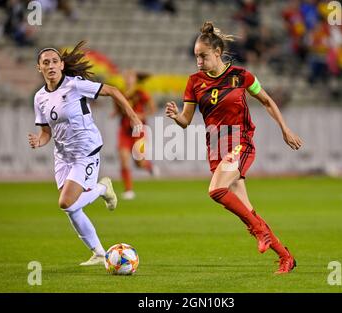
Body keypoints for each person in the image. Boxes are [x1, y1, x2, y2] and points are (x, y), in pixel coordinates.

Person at [165, 22, 303, 274]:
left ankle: (260, 232)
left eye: (203, 56)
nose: (198, 61)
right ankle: (286, 257)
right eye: (196, 56)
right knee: (246, 209)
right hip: (216, 147)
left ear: (217, 53)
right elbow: (186, 121)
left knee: (216, 190)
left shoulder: (241, 75)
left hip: (240, 142)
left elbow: (267, 101)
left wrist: (285, 128)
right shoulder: (194, 82)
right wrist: (176, 116)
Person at [28, 41, 143, 266]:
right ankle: (99, 253)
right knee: (71, 209)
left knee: (67, 203)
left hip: (86, 151)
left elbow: (112, 91)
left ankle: (102, 188)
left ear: (61, 65)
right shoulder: (39, 97)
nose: (50, 65)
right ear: (39, 68)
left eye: (54, 61)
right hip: (63, 156)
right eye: (45, 63)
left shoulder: (75, 85)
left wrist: (133, 116)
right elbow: (45, 132)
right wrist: (39, 141)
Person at [113, 69, 157, 200]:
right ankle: (128, 190)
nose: (128, 79)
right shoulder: (119, 92)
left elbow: (152, 108)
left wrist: (140, 115)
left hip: (139, 131)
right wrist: (115, 113)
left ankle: (149, 166)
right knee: (124, 159)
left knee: (139, 162)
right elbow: (117, 109)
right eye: (126, 76)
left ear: (135, 79)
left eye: (130, 77)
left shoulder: (140, 93)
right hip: (124, 131)